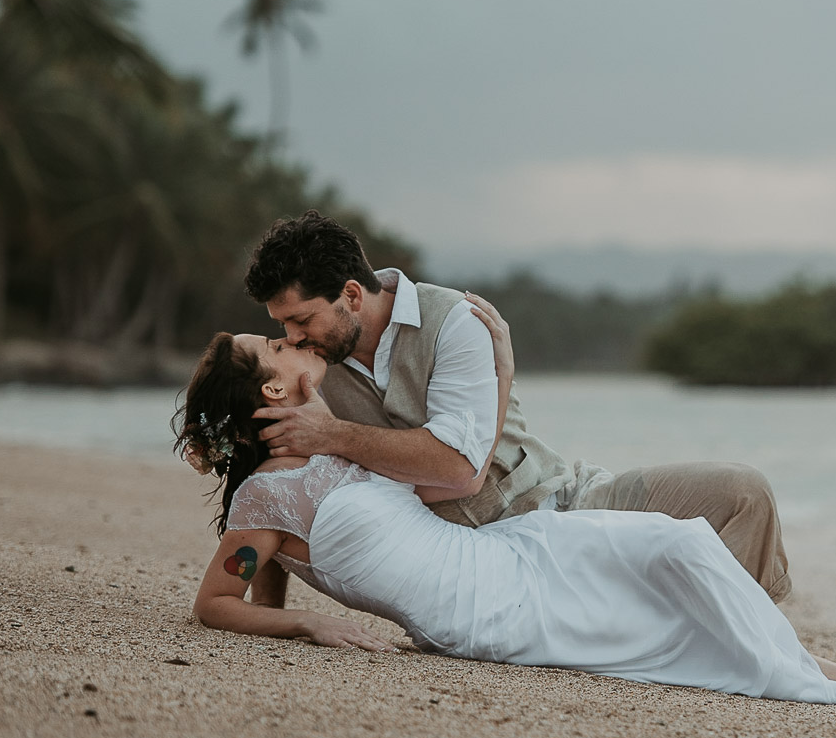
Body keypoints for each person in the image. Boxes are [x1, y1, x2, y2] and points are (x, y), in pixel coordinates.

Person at [175, 328, 836, 714]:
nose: (291, 343)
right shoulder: (265, 504)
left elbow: (460, 460)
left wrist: (493, 352)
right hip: (483, 614)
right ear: (275, 391)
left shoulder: (344, 446)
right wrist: (315, 631)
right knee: (677, 616)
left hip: (517, 552)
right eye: (276, 346)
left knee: (684, 551)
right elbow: (221, 601)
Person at [236, 211, 792, 613]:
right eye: (283, 326)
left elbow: (457, 468)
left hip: (562, 502)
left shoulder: (455, 323)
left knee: (743, 492)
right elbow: (280, 482)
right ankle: (719, 638)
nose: (290, 337)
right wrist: (268, 607)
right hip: (479, 568)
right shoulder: (309, 367)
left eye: (301, 320)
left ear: (352, 296)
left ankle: (748, 641)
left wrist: (334, 435)